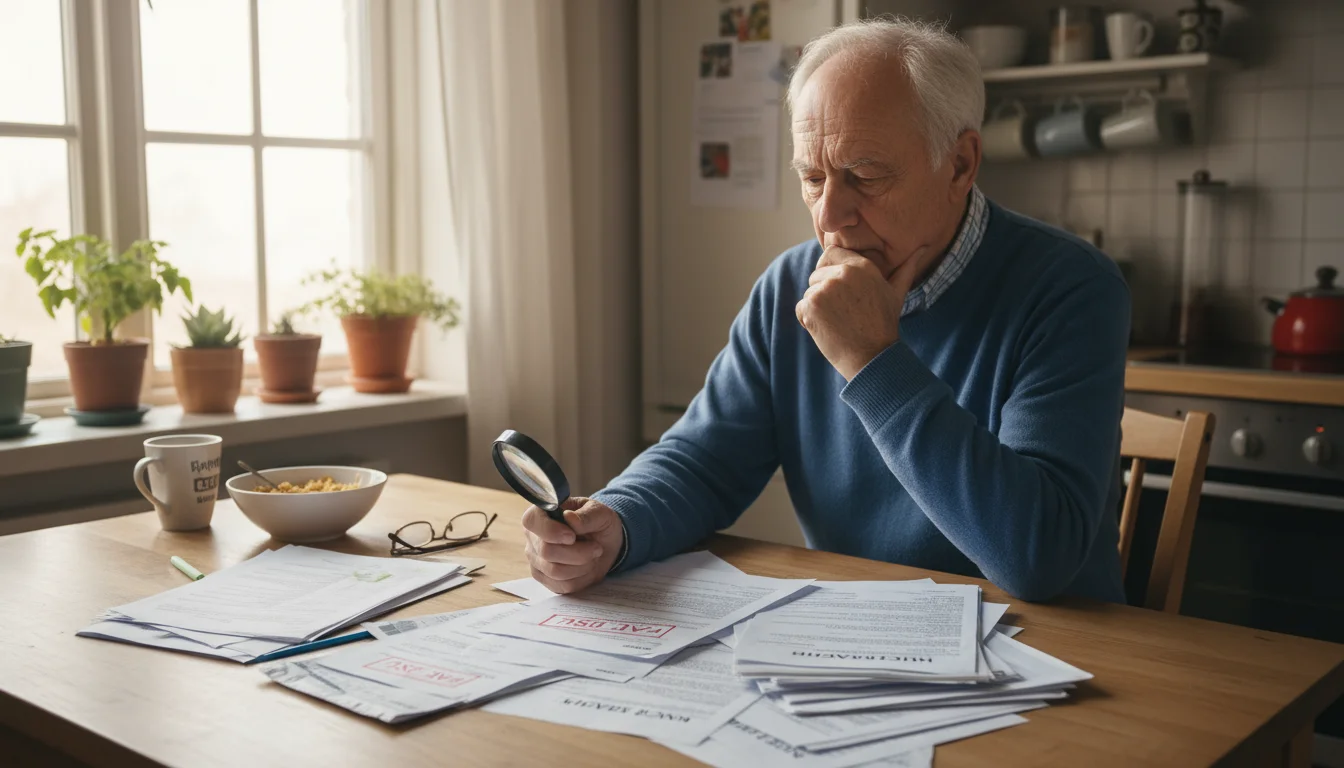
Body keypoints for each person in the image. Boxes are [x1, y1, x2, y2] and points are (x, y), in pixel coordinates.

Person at [522, 18, 1131, 603]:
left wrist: (873, 358)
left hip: (1051, 656)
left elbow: (1038, 556)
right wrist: (616, 524)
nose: (830, 216)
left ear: (960, 164)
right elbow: (704, 462)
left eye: (864, 175)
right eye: (812, 178)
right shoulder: (789, 284)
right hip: (856, 645)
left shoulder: (1072, 287)